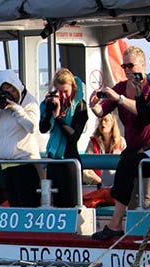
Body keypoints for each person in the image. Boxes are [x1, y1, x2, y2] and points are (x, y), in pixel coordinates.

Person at [89, 46, 150, 239]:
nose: (127, 69)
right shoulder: (120, 88)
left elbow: (144, 112)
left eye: (131, 65)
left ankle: (128, 228)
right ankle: (117, 225)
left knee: (146, 195)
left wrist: (120, 99)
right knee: (125, 176)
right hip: (134, 150)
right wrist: (94, 106)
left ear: (142, 65)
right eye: (124, 65)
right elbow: (103, 111)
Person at [0, 70, 41, 207]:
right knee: (14, 206)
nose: (11, 94)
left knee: (27, 207)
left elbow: (32, 127)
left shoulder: (29, 102)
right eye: (6, 91)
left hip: (25, 165)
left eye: (12, 90)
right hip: (6, 165)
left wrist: (17, 109)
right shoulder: (0, 107)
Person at [39, 68, 88, 208]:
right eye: (60, 92)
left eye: (66, 91)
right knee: (56, 203)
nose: (63, 96)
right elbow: (43, 129)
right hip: (54, 160)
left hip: (69, 160)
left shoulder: (80, 106)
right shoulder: (55, 103)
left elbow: (73, 137)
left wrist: (59, 117)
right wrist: (49, 111)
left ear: (73, 87)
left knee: (72, 203)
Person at [83, 113, 126, 186]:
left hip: (117, 183)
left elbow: (125, 166)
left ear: (112, 123)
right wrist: (99, 181)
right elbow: (86, 168)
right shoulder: (93, 142)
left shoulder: (121, 142)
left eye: (106, 120)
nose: (102, 123)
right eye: (100, 120)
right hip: (97, 183)